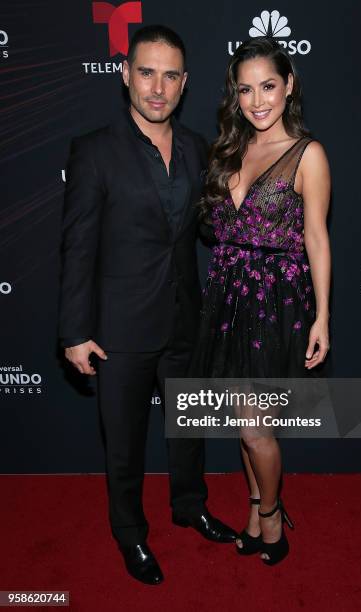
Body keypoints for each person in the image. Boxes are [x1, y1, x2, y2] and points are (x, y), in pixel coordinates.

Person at [58, 25, 236, 586]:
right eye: (146, 72)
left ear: (184, 84)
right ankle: (130, 535)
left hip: (186, 318)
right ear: (125, 74)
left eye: (170, 76)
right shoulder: (93, 150)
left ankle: (189, 505)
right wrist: (74, 330)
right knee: (125, 443)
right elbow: (78, 245)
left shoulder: (196, 148)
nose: (157, 88)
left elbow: (206, 228)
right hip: (120, 328)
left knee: (189, 428)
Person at [191, 37, 331, 566]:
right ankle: (254, 508)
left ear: (289, 85)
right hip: (227, 291)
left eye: (268, 86)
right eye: (246, 89)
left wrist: (323, 316)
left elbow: (317, 236)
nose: (257, 100)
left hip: (276, 298)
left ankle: (272, 515)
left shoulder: (308, 154)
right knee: (241, 423)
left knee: (255, 425)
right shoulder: (230, 147)